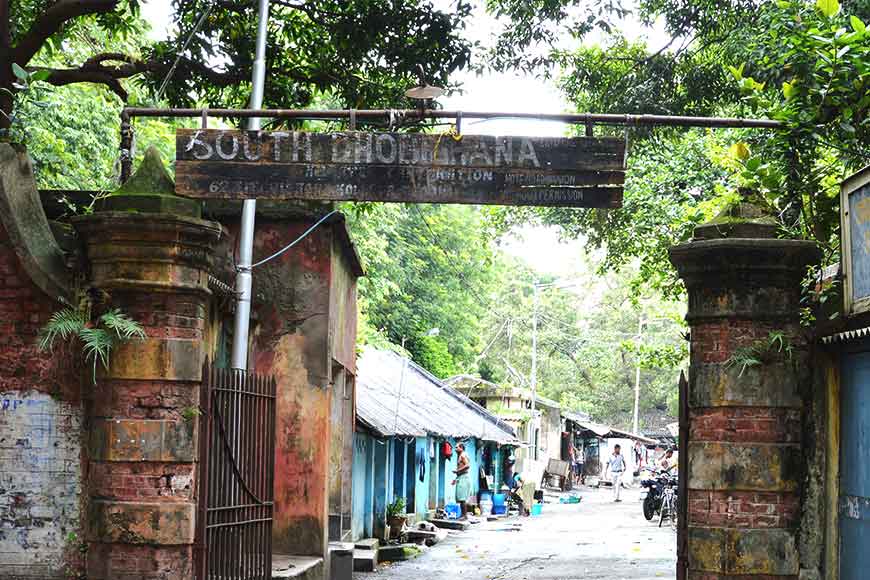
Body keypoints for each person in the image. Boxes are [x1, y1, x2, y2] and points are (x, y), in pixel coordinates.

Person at [452, 442, 471, 519]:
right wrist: (456, 479)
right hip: (460, 477)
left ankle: (464, 515)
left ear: (461, 448)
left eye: (457, 447)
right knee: (460, 497)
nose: (455, 449)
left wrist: (457, 471)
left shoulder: (463, 455)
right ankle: (463, 515)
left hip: (464, 478)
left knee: (462, 498)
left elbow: (467, 465)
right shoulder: (460, 455)